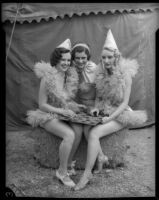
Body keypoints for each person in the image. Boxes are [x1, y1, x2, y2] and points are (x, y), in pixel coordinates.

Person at [74, 29, 148, 190]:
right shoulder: (100, 73)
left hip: (122, 113)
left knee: (94, 133)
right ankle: (101, 157)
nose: (106, 60)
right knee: (87, 127)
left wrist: (109, 117)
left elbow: (124, 103)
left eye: (109, 57)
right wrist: (96, 110)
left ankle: (87, 174)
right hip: (106, 110)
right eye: (104, 57)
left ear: (116, 57)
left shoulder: (125, 74)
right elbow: (100, 97)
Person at [26, 39, 85, 187]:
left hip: (61, 112)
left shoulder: (66, 76)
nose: (66, 63)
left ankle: (69, 163)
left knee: (78, 130)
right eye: (63, 60)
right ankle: (62, 172)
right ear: (56, 59)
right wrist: (61, 111)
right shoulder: (48, 77)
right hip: (47, 114)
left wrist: (75, 106)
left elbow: (63, 100)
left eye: (68, 60)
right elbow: (42, 104)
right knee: (69, 134)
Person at [71, 42, 109, 174]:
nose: (80, 61)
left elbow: (101, 92)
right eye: (77, 58)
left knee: (88, 129)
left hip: (95, 106)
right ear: (73, 58)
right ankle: (101, 157)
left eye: (83, 58)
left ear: (88, 57)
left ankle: (100, 157)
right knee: (79, 129)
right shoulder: (70, 70)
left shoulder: (94, 69)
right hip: (81, 107)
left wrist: (96, 107)